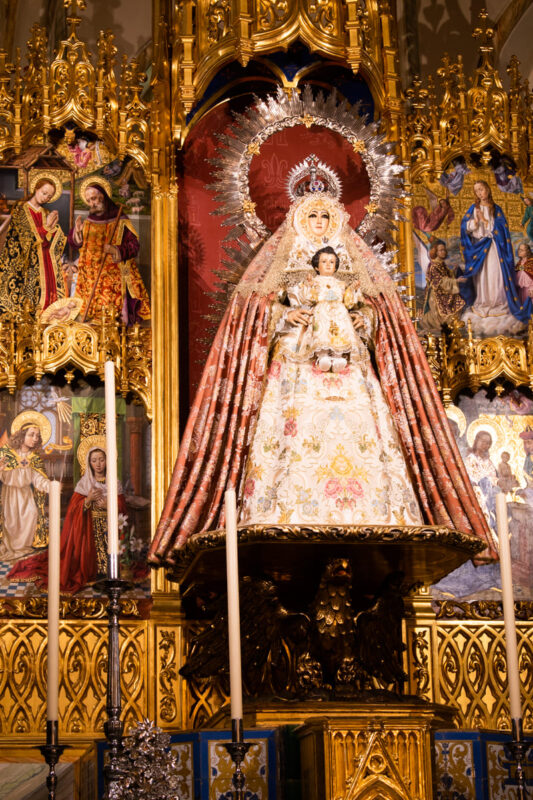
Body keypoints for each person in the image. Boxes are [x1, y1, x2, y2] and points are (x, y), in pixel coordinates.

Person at [149, 181, 496, 564]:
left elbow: (378, 314)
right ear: (299, 221)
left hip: (350, 363)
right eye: (312, 215)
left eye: (325, 216)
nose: (318, 221)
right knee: (293, 433)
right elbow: (253, 315)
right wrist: (284, 315)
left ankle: (374, 511)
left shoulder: (354, 266)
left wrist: (363, 319)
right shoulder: (281, 263)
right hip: (296, 362)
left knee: (363, 429)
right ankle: (284, 507)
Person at [9, 438, 128, 594]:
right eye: (94, 460)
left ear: (107, 461)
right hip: (88, 530)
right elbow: (73, 510)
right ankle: (92, 572)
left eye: (101, 460)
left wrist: (109, 506)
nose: (98, 464)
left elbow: (123, 507)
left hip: (109, 528)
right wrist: (87, 500)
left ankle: (109, 572)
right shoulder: (84, 484)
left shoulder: (114, 483)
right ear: (89, 463)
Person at [68, 181, 150, 323]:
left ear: (103, 196)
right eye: (88, 201)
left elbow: (134, 246)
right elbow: (76, 244)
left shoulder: (120, 219)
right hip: (89, 276)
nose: (92, 203)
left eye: (94, 198)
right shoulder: (88, 221)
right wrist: (78, 233)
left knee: (110, 316)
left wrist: (115, 249)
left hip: (113, 275)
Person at [278, 246, 368, 372]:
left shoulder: (341, 284)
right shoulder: (314, 282)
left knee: (341, 332)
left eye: (332, 262)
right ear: (316, 267)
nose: (328, 265)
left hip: (339, 313)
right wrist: (310, 286)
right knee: (321, 331)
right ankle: (323, 356)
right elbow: (309, 299)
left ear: (336, 266)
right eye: (324, 262)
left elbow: (348, 303)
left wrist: (352, 289)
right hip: (321, 312)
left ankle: (338, 357)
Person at [460, 180, 530, 336]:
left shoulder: (496, 209)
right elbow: (466, 228)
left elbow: (502, 230)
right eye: (477, 191)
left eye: (481, 189)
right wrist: (476, 221)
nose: (480, 193)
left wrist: (487, 225)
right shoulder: (474, 209)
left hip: (494, 248)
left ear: (488, 189)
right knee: (482, 277)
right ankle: (483, 303)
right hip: (480, 250)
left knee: (495, 275)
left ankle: (499, 304)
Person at [0, 176, 66, 315]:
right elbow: (25, 237)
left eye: (49, 196)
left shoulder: (45, 213)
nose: (45, 198)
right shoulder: (20, 208)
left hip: (42, 260)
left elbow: (48, 240)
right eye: (44, 193)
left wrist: (54, 227)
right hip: (24, 260)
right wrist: (47, 227)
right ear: (36, 189)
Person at [0, 414, 50, 562]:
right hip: (9, 494)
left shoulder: (34, 458)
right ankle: (12, 548)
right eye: (31, 434)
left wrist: (50, 486)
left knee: (31, 515)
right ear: (22, 435)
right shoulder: (7, 453)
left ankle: (24, 548)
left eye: (37, 436)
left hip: (26, 494)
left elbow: (38, 478)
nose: (35, 438)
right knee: (11, 522)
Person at [419, 240, 466, 333]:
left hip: (445, 292)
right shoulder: (433, 266)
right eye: (441, 250)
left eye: (444, 250)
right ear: (435, 252)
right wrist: (456, 281)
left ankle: (453, 325)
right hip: (437, 295)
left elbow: (447, 276)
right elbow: (440, 281)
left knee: (459, 302)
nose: (443, 252)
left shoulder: (442, 264)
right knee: (443, 315)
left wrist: (454, 271)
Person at [463, 431, 499, 547]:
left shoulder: (488, 462)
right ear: (476, 441)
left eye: (488, 443)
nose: (485, 445)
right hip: (476, 494)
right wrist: (486, 481)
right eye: (483, 441)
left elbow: (494, 478)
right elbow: (473, 477)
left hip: (489, 495)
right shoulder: (471, 459)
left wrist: (498, 482)